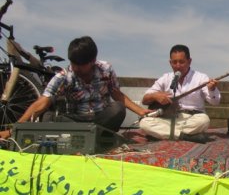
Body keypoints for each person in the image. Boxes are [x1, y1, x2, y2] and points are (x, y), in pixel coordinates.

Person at [0, 36, 150, 139]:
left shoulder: (106, 69)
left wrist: (141, 111)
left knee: (117, 109)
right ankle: (86, 134)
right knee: (48, 117)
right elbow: (42, 102)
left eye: (80, 65)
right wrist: (14, 129)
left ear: (92, 61)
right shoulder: (63, 77)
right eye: (73, 63)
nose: (76, 68)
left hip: (101, 118)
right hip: (76, 121)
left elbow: (117, 95)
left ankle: (97, 135)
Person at [139, 44, 220, 143]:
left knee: (204, 120)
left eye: (181, 62)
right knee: (144, 123)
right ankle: (186, 136)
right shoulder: (166, 78)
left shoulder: (201, 78)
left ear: (189, 61)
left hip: (192, 119)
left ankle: (165, 134)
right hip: (169, 119)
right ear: (170, 63)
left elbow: (215, 102)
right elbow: (145, 99)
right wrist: (155, 96)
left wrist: (212, 89)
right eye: (174, 62)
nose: (178, 66)